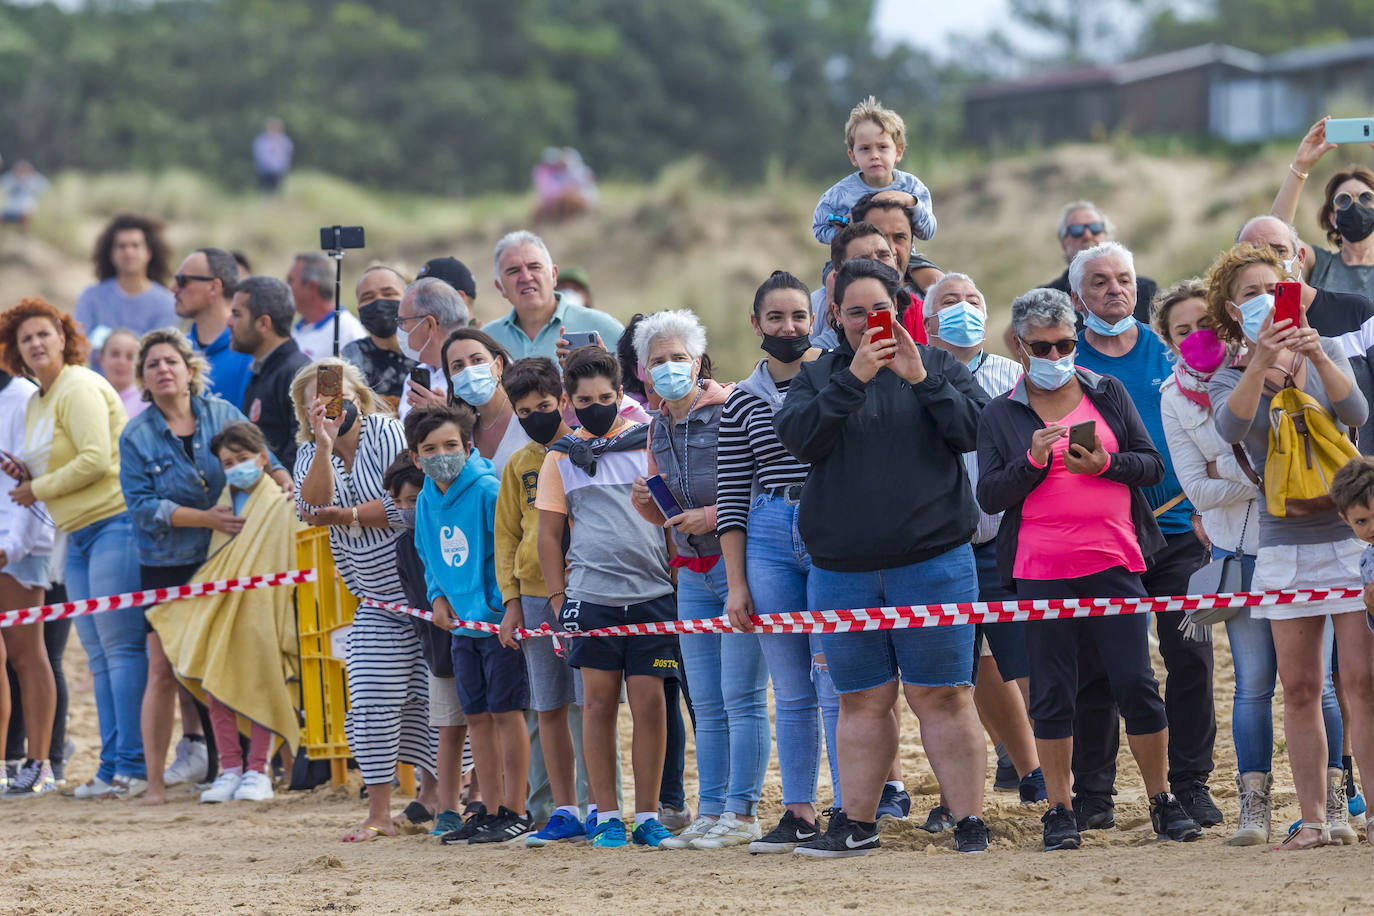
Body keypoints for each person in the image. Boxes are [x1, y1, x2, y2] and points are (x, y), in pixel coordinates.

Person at [775, 258, 991, 857]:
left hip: (935, 558)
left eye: (880, 311)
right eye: (853, 312)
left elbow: (976, 430)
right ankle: (858, 821)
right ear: (834, 317)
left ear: (899, 311)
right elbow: (798, 440)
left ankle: (969, 820)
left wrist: (922, 379)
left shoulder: (939, 362)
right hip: (842, 568)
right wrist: (855, 380)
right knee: (861, 698)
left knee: (944, 694)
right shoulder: (819, 376)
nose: (868, 323)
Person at [976, 286, 1200, 852]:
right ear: (1021, 348)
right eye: (1042, 348)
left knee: (1136, 682)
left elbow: (1151, 466)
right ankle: (1060, 808)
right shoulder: (1002, 411)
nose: (1055, 358)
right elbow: (989, 494)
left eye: (1065, 345)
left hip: (1113, 557)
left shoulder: (1107, 391)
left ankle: (1161, 798)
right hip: (1040, 568)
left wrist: (1107, 464)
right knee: (1052, 691)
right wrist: (1030, 461)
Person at [1152, 275, 1339, 845]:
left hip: (1304, 542)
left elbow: (1320, 444)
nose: (1196, 337)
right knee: (1254, 684)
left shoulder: (1263, 367)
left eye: (1204, 325)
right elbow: (1197, 492)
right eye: (1182, 331)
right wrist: (1258, 475)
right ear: (1168, 341)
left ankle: (1332, 800)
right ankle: (1252, 805)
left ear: (1225, 322)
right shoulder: (1173, 398)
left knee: (1321, 687)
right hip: (1241, 556)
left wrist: (1228, 473)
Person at [1207, 242, 1373, 850]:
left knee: (1361, 681)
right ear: (1230, 308)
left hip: (1347, 537)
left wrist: (1313, 354)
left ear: (1293, 292)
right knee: (1299, 687)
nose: (1262, 302)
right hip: (1282, 541)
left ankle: (1368, 814)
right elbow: (1230, 428)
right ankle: (1314, 819)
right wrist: (1261, 364)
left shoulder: (1324, 346)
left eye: (1270, 289)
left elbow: (1354, 408)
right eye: (1248, 295)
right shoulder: (1230, 371)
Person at [1067, 242, 1219, 832]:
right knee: (1101, 665)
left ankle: (1192, 783)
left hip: (1182, 531)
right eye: (1100, 282)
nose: (1114, 290)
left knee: (1192, 656)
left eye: (1124, 279)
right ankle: (1095, 795)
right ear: (1080, 296)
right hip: (1103, 537)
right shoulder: (1066, 358)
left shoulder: (1170, 350)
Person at [119, 327, 291, 805]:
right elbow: (141, 505)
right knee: (163, 669)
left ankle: (245, 769)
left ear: (190, 369)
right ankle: (156, 783)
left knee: (242, 661)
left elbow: (265, 457)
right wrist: (205, 516)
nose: (162, 370)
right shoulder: (135, 434)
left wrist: (283, 481)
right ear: (144, 380)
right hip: (168, 562)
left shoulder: (221, 413)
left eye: (170, 361)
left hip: (231, 555)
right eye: (152, 365)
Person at [627, 310, 769, 851]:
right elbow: (665, 515)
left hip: (737, 566)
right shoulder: (656, 424)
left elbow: (761, 485)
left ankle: (744, 811)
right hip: (690, 571)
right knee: (706, 701)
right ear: (643, 370)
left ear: (698, 361)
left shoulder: (733, 407)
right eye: (657, 361)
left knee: (743, 696)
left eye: (677, 359)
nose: (668, 369)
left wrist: (711, 517)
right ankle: (711, 810)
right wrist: (647, 503)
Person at [0, 299, 145, 798]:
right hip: (75, 533)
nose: (36, 344)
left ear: (63, 337)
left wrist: (34, 489)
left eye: (44, 334)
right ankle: (111, 768)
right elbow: (54, 467)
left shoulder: (79, 384)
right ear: (16, 351)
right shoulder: (41, 398)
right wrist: (31, 476)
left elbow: (96, 459)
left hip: (113, 522)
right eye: (26, 339)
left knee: (119, 650)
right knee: (100, 657)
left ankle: (128, 767)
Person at [718, 271, 840, 853]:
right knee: (791, 688)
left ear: (813, 319)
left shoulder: (838, 377)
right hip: (768, 528)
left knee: (835, 678)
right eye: (776, 318)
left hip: (832, 526)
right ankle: (799, 809)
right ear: (756, 323)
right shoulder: (740, 399)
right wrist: (736, 583)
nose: (788, 327)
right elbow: (732, 496)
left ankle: (851, 806)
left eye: (798, 316)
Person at [536, 346, 677, 848]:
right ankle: (608, 815)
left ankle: (648, 815)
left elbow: (670, 519)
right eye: (584, 399)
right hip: (591, 597)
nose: (596, 405)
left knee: (652, 704)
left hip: (652, 594)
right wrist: (558, 599)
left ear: (621, 395)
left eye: (605, 396)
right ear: (569, 404)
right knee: (595, 706)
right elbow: (549, 535)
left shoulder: (648, 444)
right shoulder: (560, 458)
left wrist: (677, 579)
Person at [291, 358, 437, 841]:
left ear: (360, 393)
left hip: (428, 589)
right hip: (375, 598)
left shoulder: (388, 432)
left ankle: (436, 798)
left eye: (339, 392)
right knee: (372, 697)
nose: (332, 403)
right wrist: (325, 444)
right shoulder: (310, 451)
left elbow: (410, 506)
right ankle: (378, 810)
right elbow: (312, 509)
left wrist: (350, 514)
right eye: (319, 398)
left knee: (434, 700)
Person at [921, 272, 1044, 806]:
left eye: (973, 300)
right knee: (953, 677)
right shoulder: (910, 376)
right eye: (950, 302)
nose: (963, 309)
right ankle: (957, 798)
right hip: (939, 545)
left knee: (1027, 664)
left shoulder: (1017, 379)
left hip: (1005, 541)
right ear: (927, 323)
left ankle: (1041, 774)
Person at [147, 421, 301, 804]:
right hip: (221, 611)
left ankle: (257, 769)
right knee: (217, 686)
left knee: (263, 684)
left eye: (244, 459)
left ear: (264, 458)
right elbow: (220, 561)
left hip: (265, 611)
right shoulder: (224, 501)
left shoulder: (281, 499)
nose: (236, 467)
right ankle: (230, 767)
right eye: (228, 462)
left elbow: (284, 554)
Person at [407, 404, 533, 844]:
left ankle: (517, 809)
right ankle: (490, 808)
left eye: (450, 445)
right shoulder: (425, 498)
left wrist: (505, 607)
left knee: (506, 713)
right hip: (460, 629)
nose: (442, 454)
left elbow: (507, 549)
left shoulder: (486, 490)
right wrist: (438, 596)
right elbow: (428, 555)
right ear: (415, 456)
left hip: (495, 625)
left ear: (468, 446)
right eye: (430, 449)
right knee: (476, 717)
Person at [496, 357, 587, 846]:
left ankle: (601, 807)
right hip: (533, 597)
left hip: (588, 592)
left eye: (545, 406)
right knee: (548, 706)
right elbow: (507, 537)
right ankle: (561, 809)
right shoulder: (518, 466)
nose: (536, 416)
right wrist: (511, 602)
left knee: (591, 704)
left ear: (564, 403)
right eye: (525, 410)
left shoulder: (585, 453)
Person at [382, 454, 477, 837]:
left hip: (478, 636)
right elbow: (418, 605)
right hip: (439, 649)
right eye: (400, 502)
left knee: (487, 722)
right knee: (448, 727)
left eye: (414, 499)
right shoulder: (405, 545)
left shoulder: (464, 517)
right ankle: (447, 809)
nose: (408, 509)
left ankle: (485, 797)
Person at [1237, 214, 1374, 453]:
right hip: (1298, 485)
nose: (1267, 261)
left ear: (1299, 258)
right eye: (1254, 254)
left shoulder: (1357, 312)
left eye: (1278, 250)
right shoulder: (1242, 341)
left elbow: (1357, 413)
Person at [0, 368, 57, 797]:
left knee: (26, 654)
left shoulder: (23, 395)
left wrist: (13, 545)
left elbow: (29, 474)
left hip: (19, 543)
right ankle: (3, 764)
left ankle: (39, 763)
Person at [1271, 117, 1374, 301]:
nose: (1356, 205)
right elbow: (1276, 233)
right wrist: (1300, 166)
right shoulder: (1318, 263)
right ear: (1332, 218)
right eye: (1344, 200)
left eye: (1366, 198)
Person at [811, 96, 934, 246]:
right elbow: (819, 228)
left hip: (905, 259)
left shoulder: (912, 187)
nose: (874, 155)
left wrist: (910, 201)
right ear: (853, 156)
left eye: (882, 147)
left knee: (934, 271)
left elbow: (928, 232)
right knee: (832, 271)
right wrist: (844, 234)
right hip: (852, 259)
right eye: (865, 149)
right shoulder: (838, 195)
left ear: (899, 152)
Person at [484, 231, 625, 362]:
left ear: (553, 275)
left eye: (534, 267)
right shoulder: (485, 342)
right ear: (500, 286)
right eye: (513, 271)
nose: (526, 277)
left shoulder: (603, 327)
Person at [230, 276, 311, 469]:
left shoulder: (297, 374)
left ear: (264, 323)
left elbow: (303, 447)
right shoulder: (264, 371)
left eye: (236, 314)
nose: (228, 322)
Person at [74, 214, 177, 353]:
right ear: (111, 253)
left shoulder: (167, 303)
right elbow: (78, 345)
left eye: (135, 245)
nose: (128, 252)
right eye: (121, 246)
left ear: (148, 253)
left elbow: (160, 354)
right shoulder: (91, 297)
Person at [1039, 201, 1158, 320]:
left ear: (1108, 237)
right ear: (1064, 245)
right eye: (1076, 230)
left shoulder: (1145, 290)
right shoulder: (1045, 299)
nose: (1087, 235)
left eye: (1096, 228)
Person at [172, 247, 253, 409]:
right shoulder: (175, 353)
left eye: (182, 281)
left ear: (214, 287)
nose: (173, 289)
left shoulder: (251, 354)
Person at [439, 330, 528, 470]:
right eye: (458, 366)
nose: (469, 370)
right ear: (451, 380)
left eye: (477, 360)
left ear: (498, 365)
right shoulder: (460, 433)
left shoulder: (528, 415)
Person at [809, 221, 901, 350]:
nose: (876, 264)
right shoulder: (822, 353)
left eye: (883, 255)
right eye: (863, 260)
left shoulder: (923, 311)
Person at [396, 277, 472, 419]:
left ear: (429, 325)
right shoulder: (419, 374)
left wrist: (450, 412)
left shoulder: (479, 372)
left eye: (402, 322)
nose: (399, 330)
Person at [342, 265, 417, 403]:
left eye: (388, 294)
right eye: (367, 297)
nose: (378, 301)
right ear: (359, 309)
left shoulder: (430, 352)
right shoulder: (351, 359)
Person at [288, 252, 366, 361]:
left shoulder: (346, 329)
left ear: (311, 287)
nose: (286, 288)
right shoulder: (300, 327)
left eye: (290, 281)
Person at [99, 329, 148, 421]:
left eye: (130, 356)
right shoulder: (91, 395)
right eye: (115, 354)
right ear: (101, 358)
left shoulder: (147, 402)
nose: (122, 362)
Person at [0, 160, 48, 228]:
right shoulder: (10, 178)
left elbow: (44, 188)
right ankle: (4, 232)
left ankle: (23, 233)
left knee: (26, 214)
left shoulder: (34, 179)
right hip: (11, 206)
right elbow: (4, 186)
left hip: (26, 205)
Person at [252, 118, 293, 192]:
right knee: (265, 190)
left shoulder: (284, 141)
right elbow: (259, 155)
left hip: (279, 170)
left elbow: (287, 154)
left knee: (277, 190)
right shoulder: (261, 140)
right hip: (265, 170)